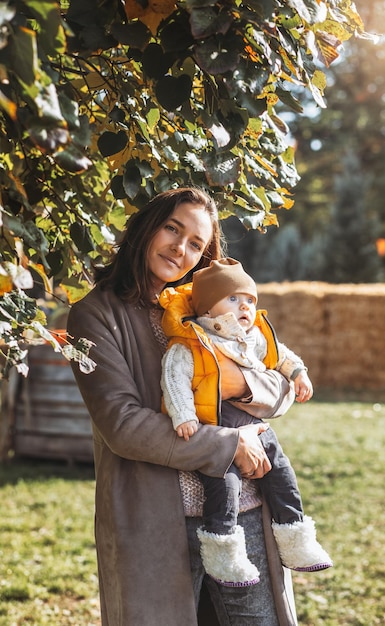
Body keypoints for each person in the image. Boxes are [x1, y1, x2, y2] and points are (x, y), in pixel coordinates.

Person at [66, 188, 299, 626]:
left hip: (243, 508)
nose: (180, 248)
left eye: (196, 243)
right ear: (146, 226)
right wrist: (227, 444)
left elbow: (281, 382)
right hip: (156, 522)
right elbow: (123, 425)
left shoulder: (211, 309)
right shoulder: (95, 315)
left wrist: (241, 384)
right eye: (173, 228)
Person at [159, 258, 333, 587]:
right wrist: (183, 414)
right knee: (224, 484)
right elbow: (174, 379)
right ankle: (222, 550)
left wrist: (299, 374)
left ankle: (296, 538)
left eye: (250, 300)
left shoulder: (254, 338)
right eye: (234, 299)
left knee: (281, 471)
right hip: (215, 428)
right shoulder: (191, 344)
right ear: (207, 309)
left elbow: (282, 355)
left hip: (254, 424)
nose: (245, 307)